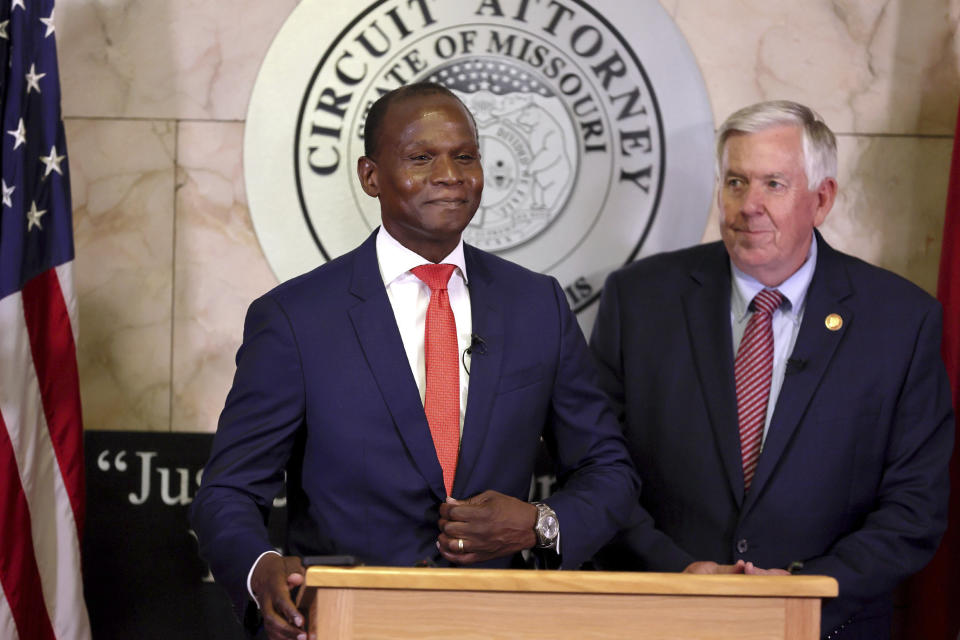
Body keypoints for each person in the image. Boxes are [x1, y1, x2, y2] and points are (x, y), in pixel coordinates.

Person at [190, 82, 639, 640]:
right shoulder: (295, 318)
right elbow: (229, 489)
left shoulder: (537, 305)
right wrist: (261, 572)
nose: (450, 174)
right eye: (421, 157)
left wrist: (539, 524)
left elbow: (608, 471)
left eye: (465, 156)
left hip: (498, 622)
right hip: (344, 623)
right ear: (371, 176)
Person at [590, 100, 954, 639]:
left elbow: (915, 508)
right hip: (664, 616)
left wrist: (803, 590)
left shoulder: (901, 320)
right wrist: (677, 572)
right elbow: (596, 466)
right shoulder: (639, 300)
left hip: (829, 624)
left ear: (822, 198)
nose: (748, 206)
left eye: (774, 185)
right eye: (735, 182)